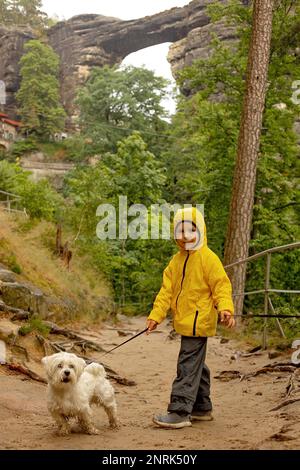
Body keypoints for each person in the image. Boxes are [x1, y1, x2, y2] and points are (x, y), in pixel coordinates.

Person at [146, 207, 235, 429]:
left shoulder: (208, 259)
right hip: (184, 321)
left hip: (200, 321)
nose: (185, 235)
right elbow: (165, 292)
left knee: (187, 364)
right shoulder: (175, 262)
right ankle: (201, 407)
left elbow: (221, 286)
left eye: (191, 229)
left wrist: (225, 308)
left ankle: (179, 410)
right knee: (197, 364)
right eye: (180, 230)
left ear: (201, 231)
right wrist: (156, 315)